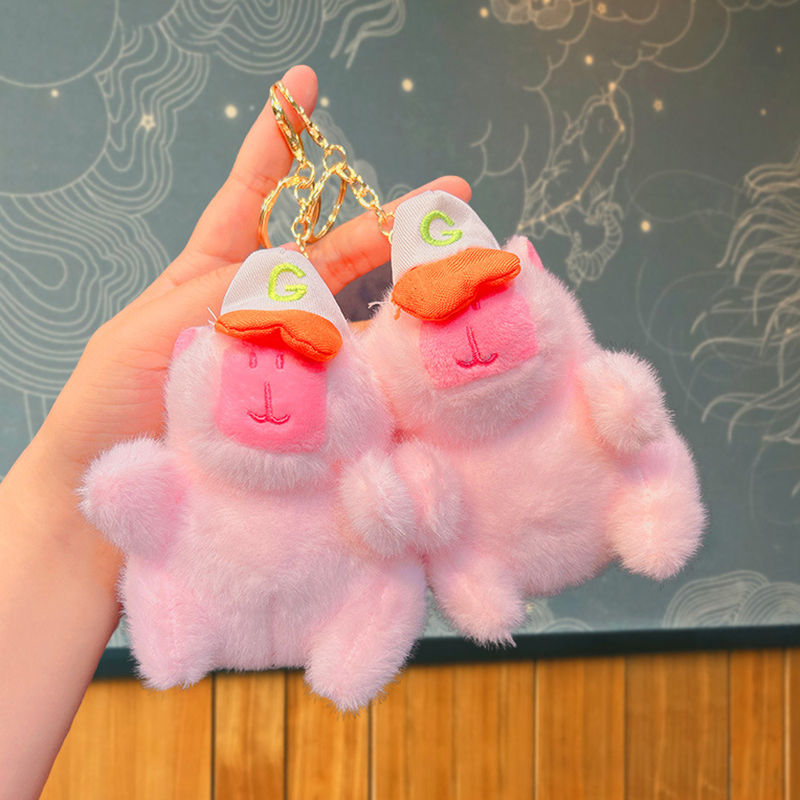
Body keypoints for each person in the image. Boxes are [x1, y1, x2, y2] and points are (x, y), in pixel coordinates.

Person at [0, 64, 470, 799]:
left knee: (381, 584)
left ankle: (348, 648)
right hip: (176, 588)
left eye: (303, 364)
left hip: (338, 591)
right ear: (193, 355)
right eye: (256, 360)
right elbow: (124, 493)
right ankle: (179, 636)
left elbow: (381, 502)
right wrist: (73, 492)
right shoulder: (187, 423)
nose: (275, 391)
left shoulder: (351, 443)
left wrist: (63, 507)